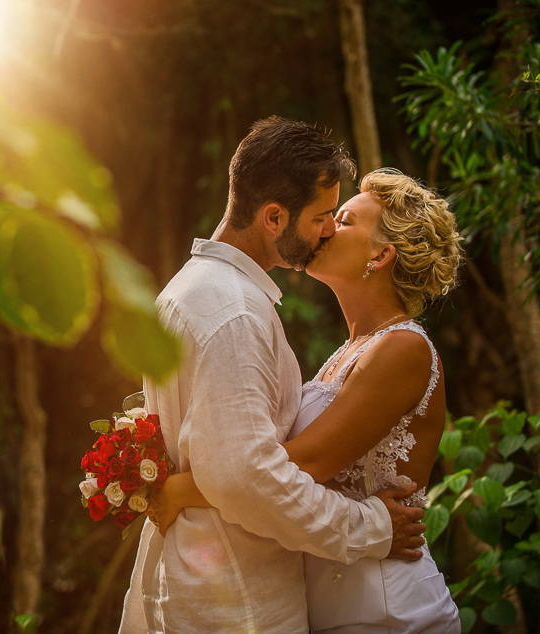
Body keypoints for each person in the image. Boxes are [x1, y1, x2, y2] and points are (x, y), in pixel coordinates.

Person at [118, 117, 428, 634]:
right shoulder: (235, 313)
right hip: (235, 599)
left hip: (196, 578)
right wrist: (370, 527)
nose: (328, 230)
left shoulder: (187, 289)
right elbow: (248, 479)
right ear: (274, 216)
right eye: (322, 216)